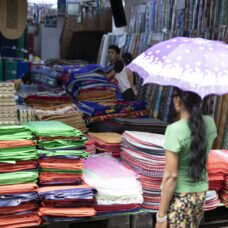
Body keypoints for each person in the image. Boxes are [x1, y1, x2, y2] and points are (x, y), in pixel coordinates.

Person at [155, 88, 217, 228]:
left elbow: (171, 176)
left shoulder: (174, 130)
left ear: (178, 100)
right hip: (200, 195)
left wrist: (161, 216)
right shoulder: (210, 123)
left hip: (179, 197)